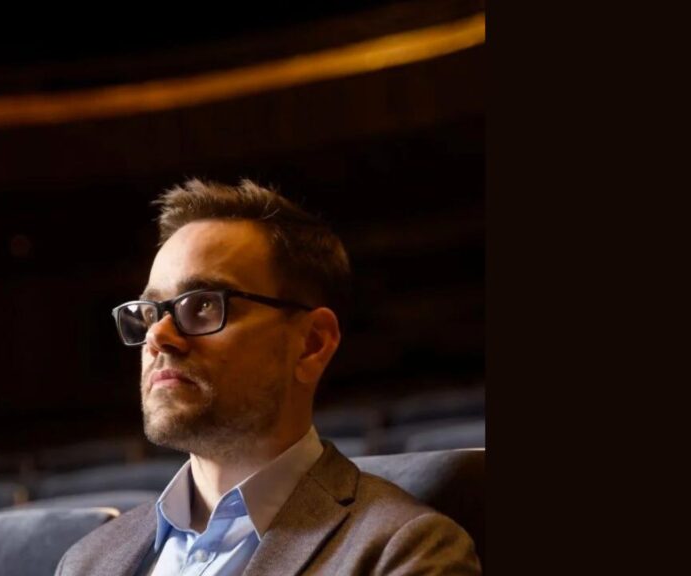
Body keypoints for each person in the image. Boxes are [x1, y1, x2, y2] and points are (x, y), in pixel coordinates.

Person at [56, 179, 480, 575]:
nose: (158, 337)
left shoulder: (402, 549)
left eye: (203, 305)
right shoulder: (86, 561)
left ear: (312, 343)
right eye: (150, 313)